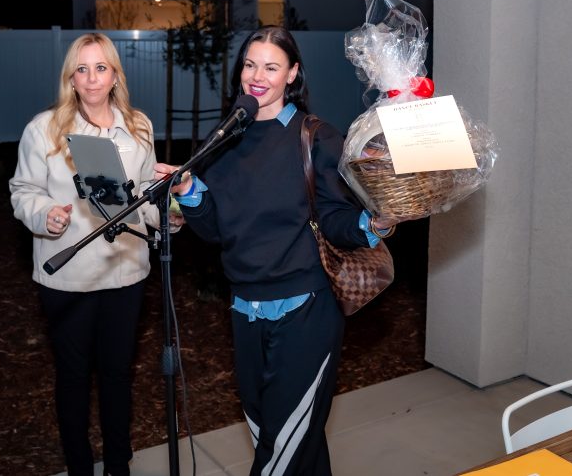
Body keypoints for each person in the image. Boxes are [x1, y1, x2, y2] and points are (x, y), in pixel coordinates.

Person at [154, 25, 395, 476]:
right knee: (284, 438)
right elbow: (215, 229)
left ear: (293, 73)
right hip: (245, 311)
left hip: (307, 310)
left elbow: (338, 219)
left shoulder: (316, 138)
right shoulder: (224, 139)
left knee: (279, 452)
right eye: (249, 64)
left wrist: (374, 223)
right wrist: (188, 189)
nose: (256, 76)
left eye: (271, 66)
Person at [10, 33, 166, 476]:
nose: (92, 77)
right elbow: (23, 190)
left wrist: (170, 216)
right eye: (82, 69)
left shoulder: (138, 126)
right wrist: (45, 216)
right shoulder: (44, 129)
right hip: (68, 276)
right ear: (71, 79)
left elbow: (147, 199)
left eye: (101, 67)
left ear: (115, 74)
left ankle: (119, 463)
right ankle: (79, 465)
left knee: (118, 374)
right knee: (74, 377)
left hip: (125, 273)